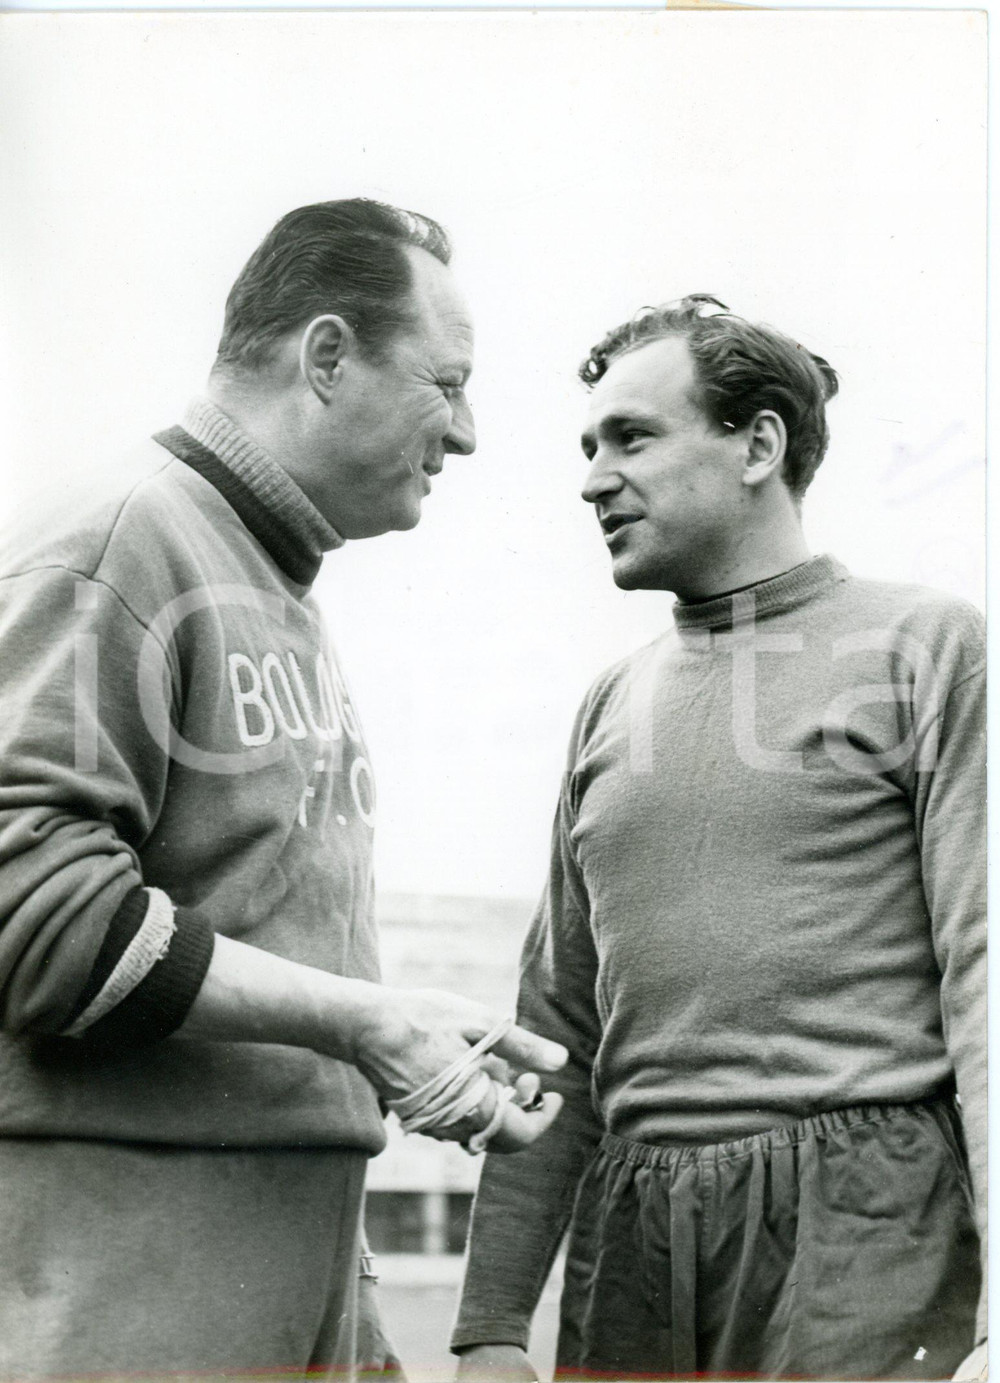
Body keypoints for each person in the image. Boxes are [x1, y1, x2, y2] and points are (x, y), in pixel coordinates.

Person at [0, 198, 567, 1380]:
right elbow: (36, 919)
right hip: (134, 1238)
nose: (464, 433)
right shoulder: (123, 540)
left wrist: (377, 1033)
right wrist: (366, 1022)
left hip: (296, 1239)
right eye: (446, 384)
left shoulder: (269, 573)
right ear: (325, 356)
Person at [452, 296, 986, 1381]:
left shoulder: (923, 645)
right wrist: (493, 1326)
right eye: (589, 446)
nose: (594, 478)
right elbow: (556, 1031)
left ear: (758, 444)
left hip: (861, 1225)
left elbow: (988, 976)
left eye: (632, 438)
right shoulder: (611, 704)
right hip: (634, 1238)